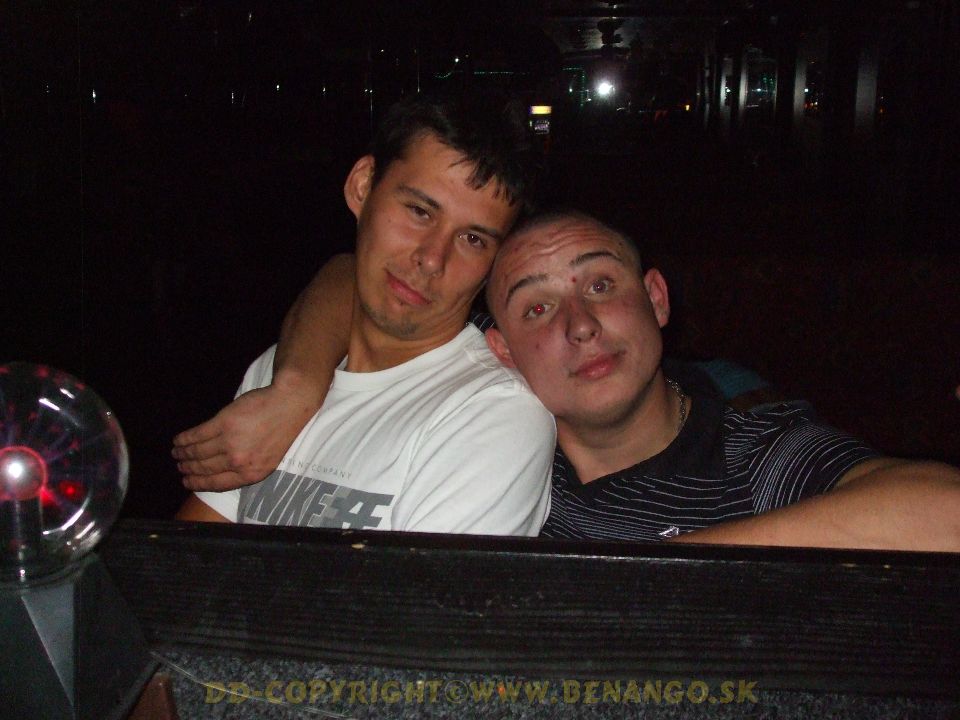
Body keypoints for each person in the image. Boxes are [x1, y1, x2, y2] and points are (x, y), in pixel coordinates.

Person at [175, 210, 960, 551]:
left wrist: (644, 575)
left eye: (601, 286)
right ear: (502, 350)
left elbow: (944, 513)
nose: (579, 326)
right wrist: (297, 384)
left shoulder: (747, 442)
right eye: (538, 307)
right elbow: (351, 275)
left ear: (656, 299)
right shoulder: (493, 438)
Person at [174, 95, 555, 535]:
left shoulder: (492, 415)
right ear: (362, 186)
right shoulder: (282, 369)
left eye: (472, 239)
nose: (432, 258)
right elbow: (186, 561)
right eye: (419, 211)